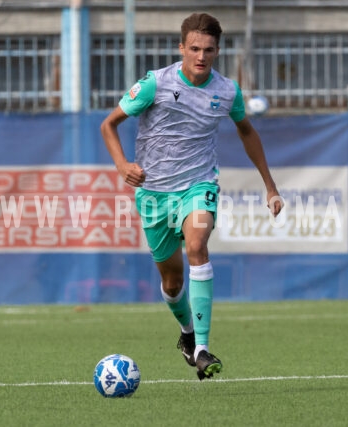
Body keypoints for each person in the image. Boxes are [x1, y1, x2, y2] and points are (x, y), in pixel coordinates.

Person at [100, 12, 283, 381]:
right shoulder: (155, 84)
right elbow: (109, 124)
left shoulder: (227, 90)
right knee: (171, 282)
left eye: (209, 50)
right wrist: (122, 165)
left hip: (199, 185)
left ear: (218, 51)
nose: (201, 56)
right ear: (182, 48)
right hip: (154, 194)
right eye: (194, 48)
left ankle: (201, 347)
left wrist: (270, 186)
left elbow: (247, 131)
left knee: (198, 244)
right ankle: (186, 335)